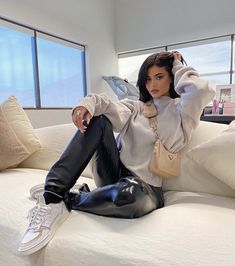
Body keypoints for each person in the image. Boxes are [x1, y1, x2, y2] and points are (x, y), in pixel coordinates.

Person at [18, 51, 215, 255]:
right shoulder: (136, 107)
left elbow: (200, 90)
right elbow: (107, 105)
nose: (152, 84)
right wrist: (86, 105)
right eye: (147, 79)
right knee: (99, 120)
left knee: (129, 196)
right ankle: (53, 194)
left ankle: (71, 198)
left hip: (145, 188)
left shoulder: (183, 113)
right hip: (113, 174)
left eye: (159, 77)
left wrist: (176, 63)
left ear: (172, 78)